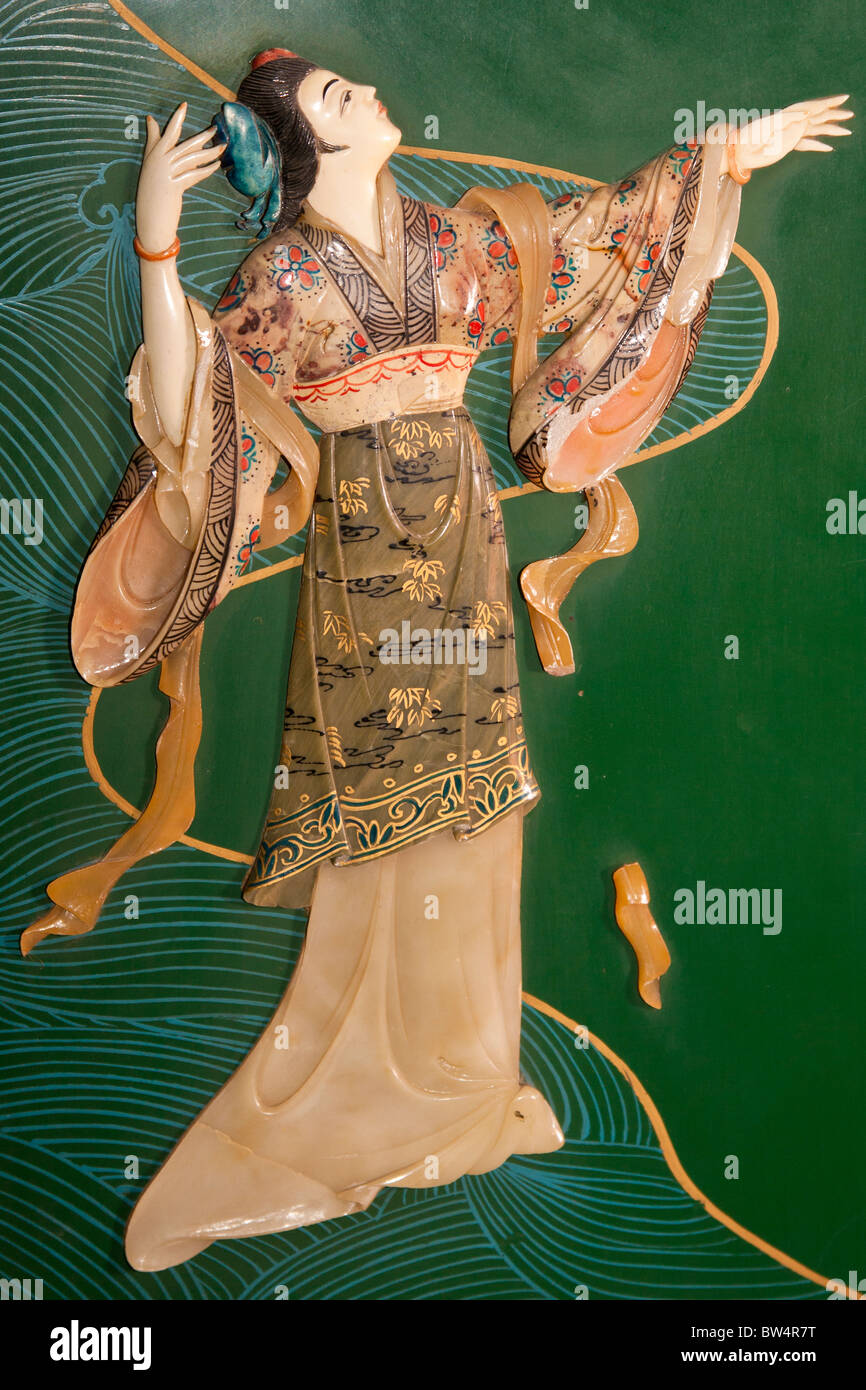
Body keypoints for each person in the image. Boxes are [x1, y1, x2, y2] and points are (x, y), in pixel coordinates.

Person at [37, 49, 852, 1270]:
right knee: (392, 801)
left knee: (482, 797)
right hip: (364, 551)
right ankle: (364, 1097)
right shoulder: (281, 276)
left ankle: (467, 1083)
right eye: (330, 99)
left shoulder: (455, 241)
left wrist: (724, 151)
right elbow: (191, 401)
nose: (361, 94)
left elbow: (587, 236)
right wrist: (158, 243)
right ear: (302, 151)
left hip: (462, 531)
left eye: (349, 85)